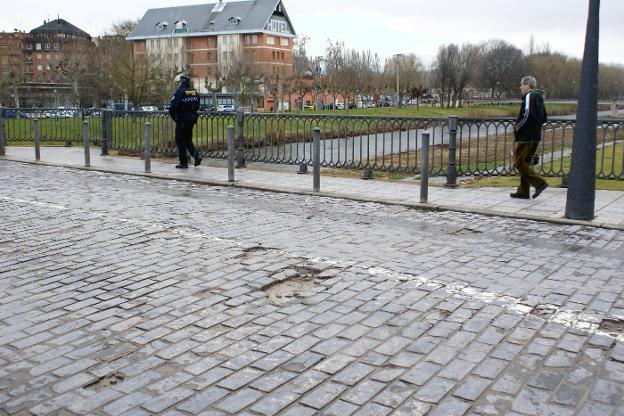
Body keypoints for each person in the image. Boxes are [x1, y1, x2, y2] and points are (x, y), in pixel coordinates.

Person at [511, 76, 548, 199]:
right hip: (535, 136)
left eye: (522, 84)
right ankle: (523, 191)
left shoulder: (529, 96)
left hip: (526, 136)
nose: (520, 87)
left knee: (518, 162)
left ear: (527, 85)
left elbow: (527, 115)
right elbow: (544, 118)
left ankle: (540, 183)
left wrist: (517, 127)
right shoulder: (539, 97)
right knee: (525, 162)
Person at [168, 74, 202, 169]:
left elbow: (172, 107)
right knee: (187, 139)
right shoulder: (194, 92)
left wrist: (175, 118)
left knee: (180, 141)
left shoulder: (180, 91)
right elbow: (197, 104)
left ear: (181, 82)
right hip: (191, 119)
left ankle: (183, 163)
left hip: (182, 119)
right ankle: (196, 156)